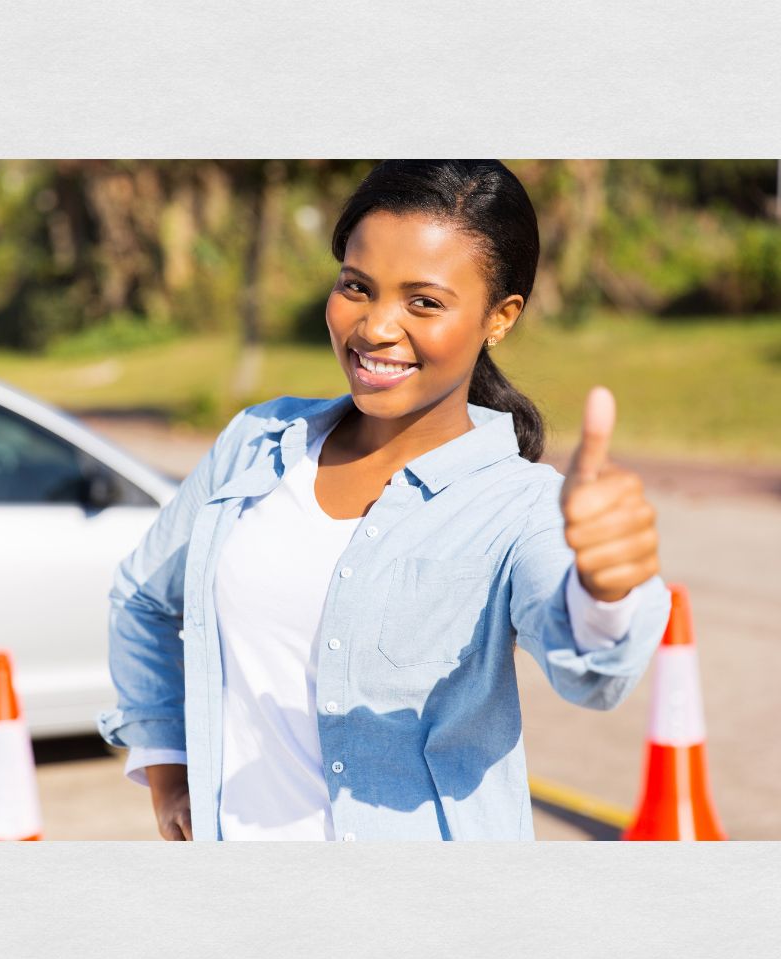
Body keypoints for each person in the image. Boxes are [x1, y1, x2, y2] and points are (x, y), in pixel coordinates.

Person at [97, 159, 671, 842]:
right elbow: (141, 599)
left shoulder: (519, 508)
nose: (375, 327)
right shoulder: (256, 443)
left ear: (500, 317)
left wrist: (606, 594)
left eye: (423, 302)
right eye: (356, 287)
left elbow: (595, 675)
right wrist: (168, 767)